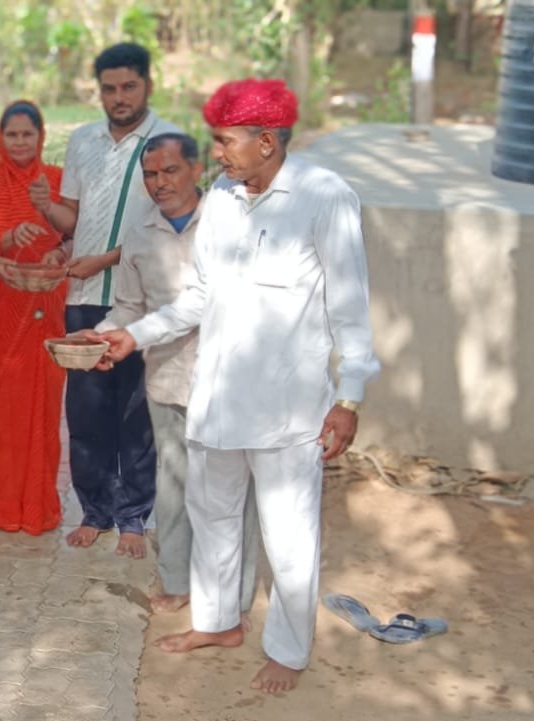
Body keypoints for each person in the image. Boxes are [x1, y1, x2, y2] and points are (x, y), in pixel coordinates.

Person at [86, 79, 380, 694]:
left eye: (225, 141)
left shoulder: (325, 197)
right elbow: (198, 298)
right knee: (212, 514)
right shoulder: (222, 197)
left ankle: (289, 652)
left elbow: (351, 307)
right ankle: (218, 622)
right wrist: (133, 336)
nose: (216, 154)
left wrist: (349, 398)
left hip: (286, 409)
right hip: (215, 399)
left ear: (266, 142)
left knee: (288, 535)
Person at [87, 133, 260, 615]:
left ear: (197, 170)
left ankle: (235, 595)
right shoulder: (139, 232)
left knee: (235, 492)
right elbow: (129, 306)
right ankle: (178, 581)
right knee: (174, 484)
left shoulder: (232, 222)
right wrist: (99, 337)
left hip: (230, 379)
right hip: (167, 376)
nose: (159, 183)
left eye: (170, 171)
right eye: (150, 174)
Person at [50, 42, 182, 557]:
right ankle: (95, 511)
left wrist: (103, 260)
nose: (119, 97)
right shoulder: (82, 140)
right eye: (109, 88)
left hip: (143, 304)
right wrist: (54, 231)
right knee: (86, 414)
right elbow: (72, 218)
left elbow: (173, 226)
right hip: (83, 297)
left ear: (148, 85)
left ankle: (132, 516)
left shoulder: (169, 143)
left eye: (129, 86)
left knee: (135, 415)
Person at [0, 101, 69, 536]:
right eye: (12, 135)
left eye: (28, 134)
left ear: (40, 137)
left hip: (46, 304)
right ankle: (5, 504)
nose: (20, 142)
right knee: (5, 408)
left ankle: (39, 505)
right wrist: (8, 237)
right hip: (1, 304)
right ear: (0, 137)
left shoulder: (56, 179)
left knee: (43, 405)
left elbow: (74, 231)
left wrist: (57, 248)